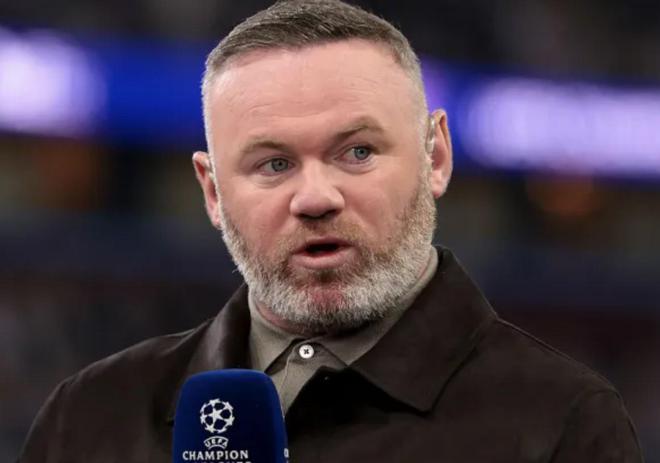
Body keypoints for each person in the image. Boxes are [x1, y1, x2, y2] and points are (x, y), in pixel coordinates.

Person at [19, 0, 643, 461]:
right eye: (274, 164)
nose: (315, 198)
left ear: (436, 156)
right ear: (212, 192)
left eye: (358, 153)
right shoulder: (90, 416)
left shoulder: (563, 422)